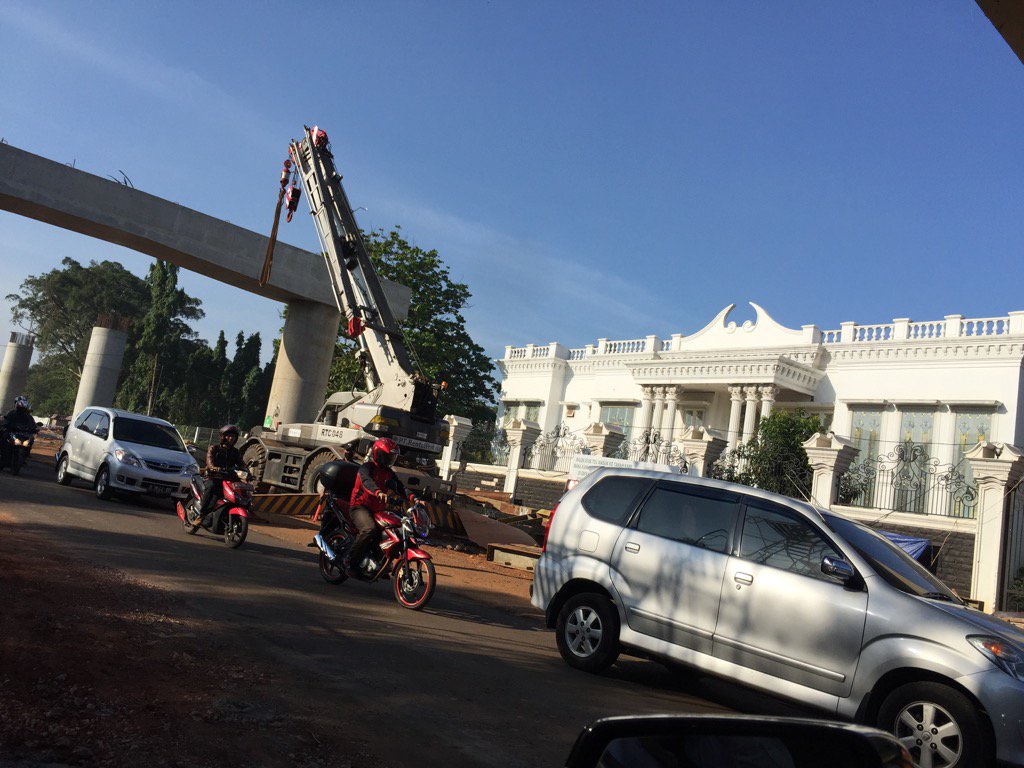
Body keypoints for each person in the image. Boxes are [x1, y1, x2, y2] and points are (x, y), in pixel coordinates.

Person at [345, 437, 412, 578]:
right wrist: (378, 492)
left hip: (377, 510)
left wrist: (414, 498)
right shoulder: (367, 468)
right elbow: (367, 482)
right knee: (369, 529)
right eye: (387, 456)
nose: (390, 459)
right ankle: (350, 561)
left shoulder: (389, 472)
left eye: (392, 457)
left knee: (390, 531)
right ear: (379, 454)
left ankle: (379, 562)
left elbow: (400, 487)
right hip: (360, 507)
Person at [200, 424, 246, 532]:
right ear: (223, 436)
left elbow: (242, 464)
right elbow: (209, 461)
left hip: (227, 479)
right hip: (212, 477)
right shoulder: (214, 448)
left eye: (233, 436)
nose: (231, 438)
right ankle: (201, 514)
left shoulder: (235, 452)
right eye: (229, 436)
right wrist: (214, 468)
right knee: (212, 486)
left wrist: (247, 471)